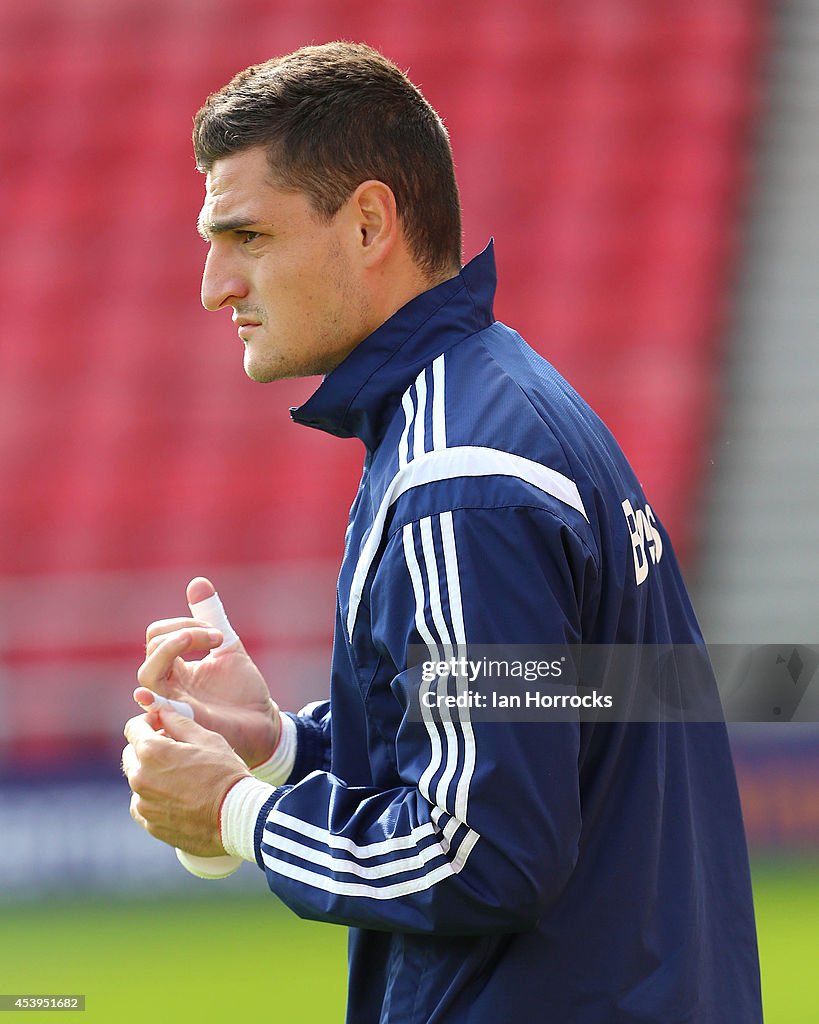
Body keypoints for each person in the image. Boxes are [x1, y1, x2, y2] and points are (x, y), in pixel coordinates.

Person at [122, 41, 763, 1023]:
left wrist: (235, 812)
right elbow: (540, 719)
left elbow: (484, 854)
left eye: (247, 236)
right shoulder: (503, 405)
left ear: (369, 222)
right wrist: (282, 744)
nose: (216, 286)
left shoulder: (457, 480)